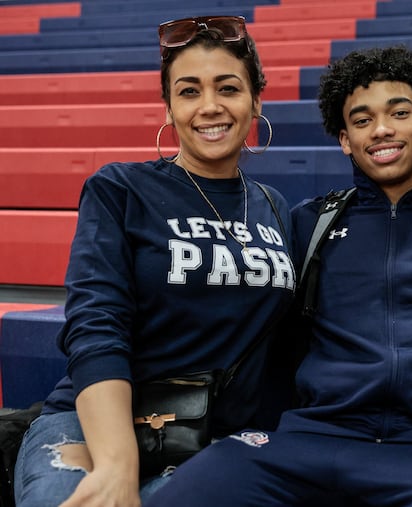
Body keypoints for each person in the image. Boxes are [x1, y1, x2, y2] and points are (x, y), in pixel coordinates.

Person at [145, 45, 412, 507]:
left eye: (398, 113)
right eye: (361, 121)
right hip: (312, 440)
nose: (381, 129)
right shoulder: (310, 222)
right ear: (345, 140)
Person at [14, 16, 295, 507]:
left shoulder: (275, 206)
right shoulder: (120, 188)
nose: (209, 106)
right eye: (189, 92)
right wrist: (118, 463)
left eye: (228, 88)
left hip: (216, 440)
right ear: (169, 107)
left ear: (256, 102)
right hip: (96, 425)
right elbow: (96, 323)